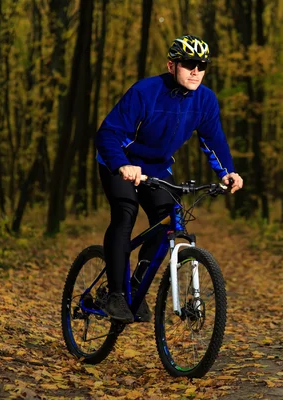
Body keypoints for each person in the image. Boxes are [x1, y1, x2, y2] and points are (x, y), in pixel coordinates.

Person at [95, 35, 243, 324]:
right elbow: (107, 133)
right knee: (125, 214)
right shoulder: (145, 91)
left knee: (170, 222)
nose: (196, 71)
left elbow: (213, 139)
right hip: (120, 161)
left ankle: (135, 287)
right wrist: (123, 164)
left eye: (202, 65)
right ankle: (114, 294)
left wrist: (227, 172)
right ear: (172, 65)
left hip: (158, 168)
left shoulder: (205, 99)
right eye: (189, 64)